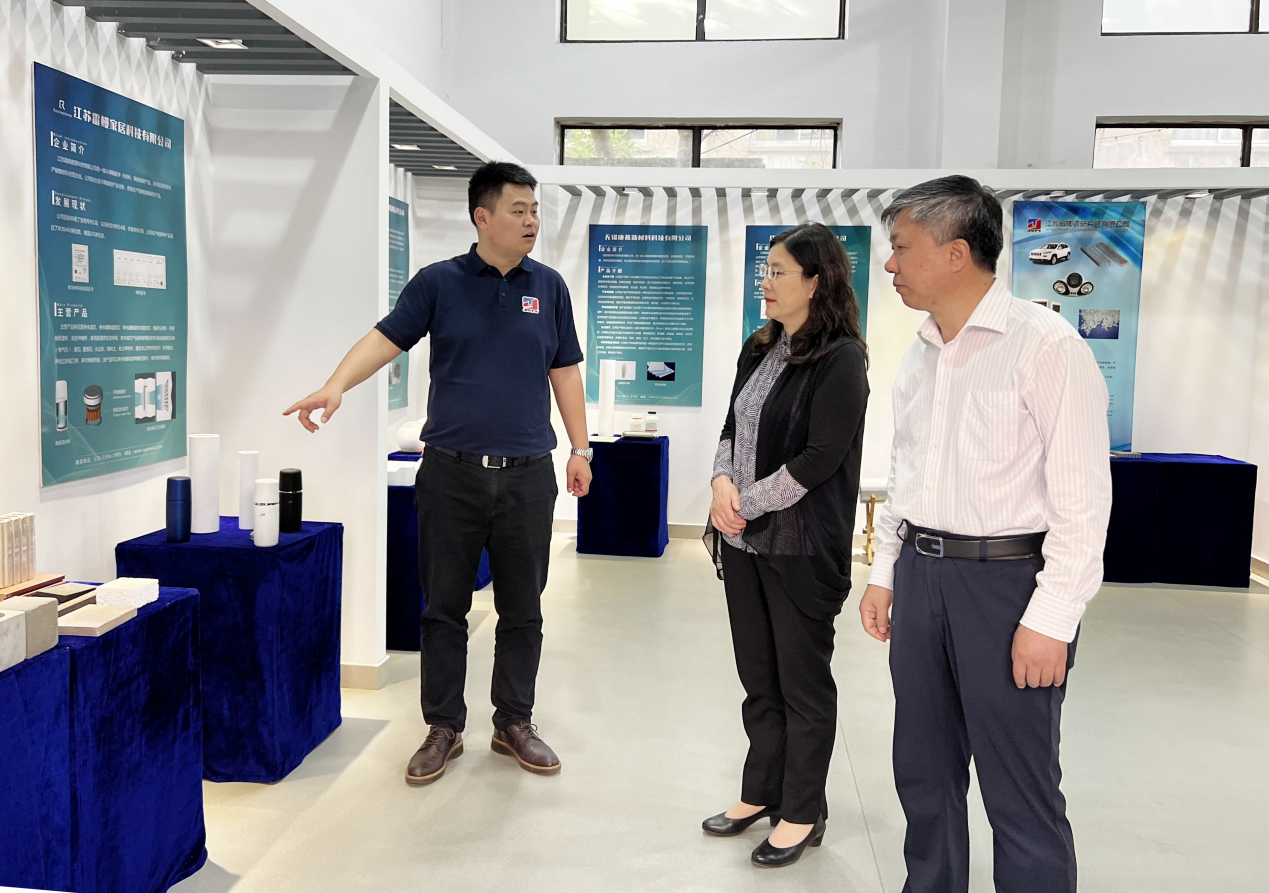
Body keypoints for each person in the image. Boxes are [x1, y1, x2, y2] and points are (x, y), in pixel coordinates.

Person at [285, 161, 593, 786]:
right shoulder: (439, 283)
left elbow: (564, 372)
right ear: (483, 216)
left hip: (528, 475)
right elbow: (385, 339)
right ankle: (443, 727)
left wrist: (581, 449)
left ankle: (514, 722)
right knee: (443, 609)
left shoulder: (550, 287)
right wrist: (335, 385)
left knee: (523, 609)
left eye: (535, 210)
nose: (532, 221)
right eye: (518, 210)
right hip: (451, 475)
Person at [857, 176, 1111, 893]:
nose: (890, 264)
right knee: (923, 772)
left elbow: (1083, 500)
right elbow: (907, 472)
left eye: (901, 248)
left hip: (1007, 587)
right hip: (921, 577)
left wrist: (1052, 617)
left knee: (1018, 788)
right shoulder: (922, 351)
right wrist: (884, 572)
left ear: (955, 252)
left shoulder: (1046, 346)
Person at [702, 223, 869, 868]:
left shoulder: (841, 359)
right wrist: (721, 483)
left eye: (777, 271)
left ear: (816, 281)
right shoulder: (761, 345)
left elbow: (819, 459)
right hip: (744, 543)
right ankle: (760, 791)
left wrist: (743, 504)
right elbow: (731, 427)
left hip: (799, 546)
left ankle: (802, 810)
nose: (765, 282)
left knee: (802, 684)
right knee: (758, 679)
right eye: (764, 270)